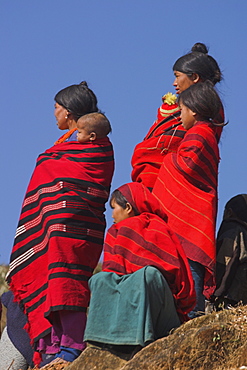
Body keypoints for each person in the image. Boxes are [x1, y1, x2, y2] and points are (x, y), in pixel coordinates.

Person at [6, 84, 114, 367]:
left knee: (68, 284)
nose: (53, 113)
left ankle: (71, 346)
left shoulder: (96, 145)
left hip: (77, 230)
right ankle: (51, 348)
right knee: (49, 285)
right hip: (50, 232)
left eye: (56, 107)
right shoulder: (66, 145)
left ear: (68, 111)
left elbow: (88, 184)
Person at [84, 182, 196, 358]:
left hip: (163, 312)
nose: (112, 214)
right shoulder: (114, 232)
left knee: (148, 275)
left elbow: (173, 276)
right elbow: (112, 275)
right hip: (126, 302)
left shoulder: (158, 227)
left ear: (128, 207)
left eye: (114, 208)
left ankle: (139, 338)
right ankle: (101, 338)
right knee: (100, 279)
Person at [153, 81, 226, 318]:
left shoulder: (200, 134)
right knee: (184, 262)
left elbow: (187, 165)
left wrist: (167, 160)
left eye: (182, 110)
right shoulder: (203, 133)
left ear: (194, 110)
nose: (180, 115)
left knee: (191, 261)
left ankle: (193, 310)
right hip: (195, 211)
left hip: (193, 213)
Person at [131, 42, 223, 191]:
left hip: (171, 184)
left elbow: (187, 150)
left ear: (194, 77)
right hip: (155, 179)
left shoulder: (206, 110)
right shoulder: (186, 108)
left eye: (177, 76)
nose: (174, 83)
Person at [213, 194, 247, 310]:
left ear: (229, 213)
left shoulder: (230, 227)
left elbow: (227, 260)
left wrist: (218, 292)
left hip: (231, 297)